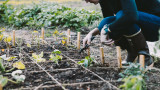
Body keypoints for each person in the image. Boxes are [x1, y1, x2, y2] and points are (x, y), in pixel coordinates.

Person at [83, 0, 160, 67]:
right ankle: (132, 53)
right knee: (110, 22)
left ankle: (145, 56)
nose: (86, 1)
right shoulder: (103, 1)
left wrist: (107, 30)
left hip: (156, 25)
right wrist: (92, 33)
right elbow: (108, 21)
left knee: (122, 15)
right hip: (141, 21)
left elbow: (131, 16)